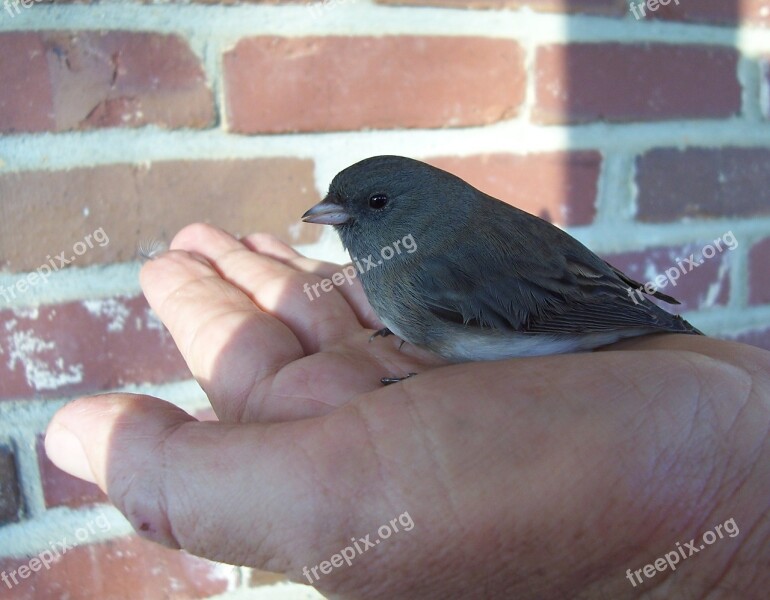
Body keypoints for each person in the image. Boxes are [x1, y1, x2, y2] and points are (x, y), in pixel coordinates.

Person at [46, 223, 770, 599]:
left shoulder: (430, 270)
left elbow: (549, 307)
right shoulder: (413, 257)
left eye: (371, 208)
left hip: (573, 318)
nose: (336, 219)